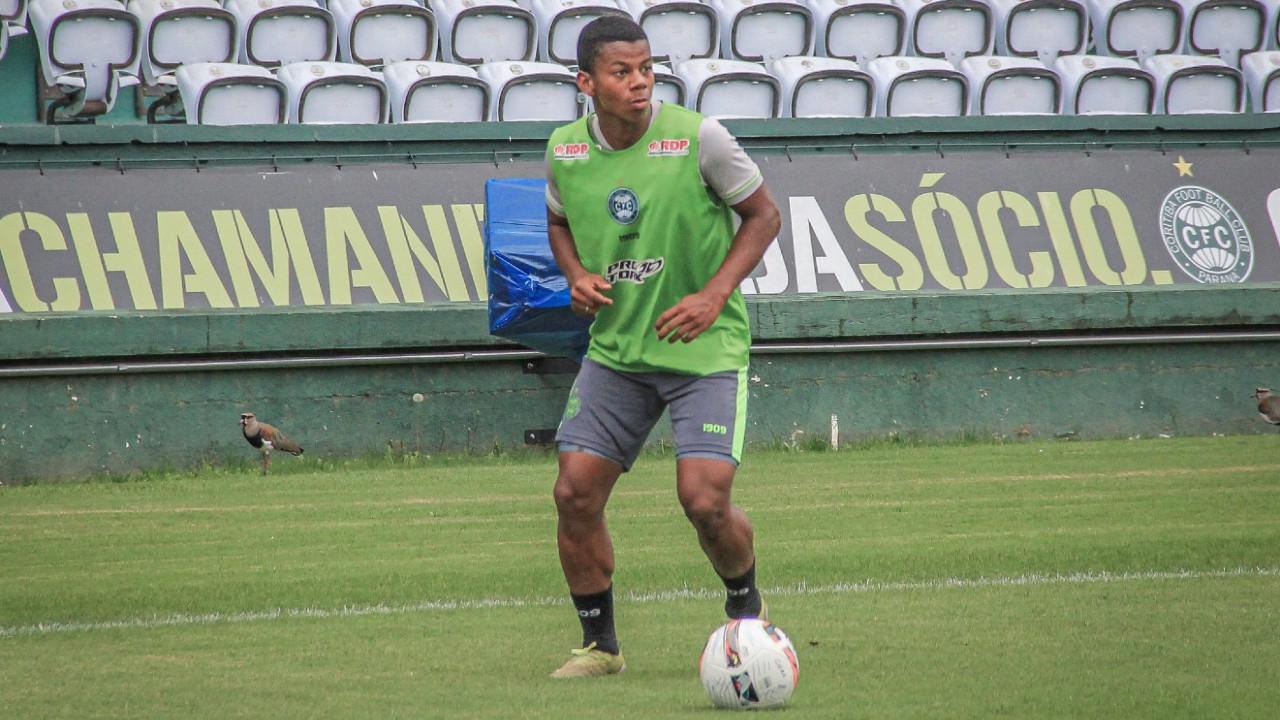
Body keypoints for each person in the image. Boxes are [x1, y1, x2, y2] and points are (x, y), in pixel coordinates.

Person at [543, 16, 783, 678]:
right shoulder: (565, 150)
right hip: (618, 352)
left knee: (704, 500)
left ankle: (748, 613)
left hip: (702, 348)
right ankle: (601, 648)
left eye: (647, 68)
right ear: (586, 83)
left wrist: (713, 295)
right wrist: (574, 274)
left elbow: (764, 216)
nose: (640, 82)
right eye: (622, 72)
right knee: (574, 494)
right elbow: (558, 220)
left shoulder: (700, 138)